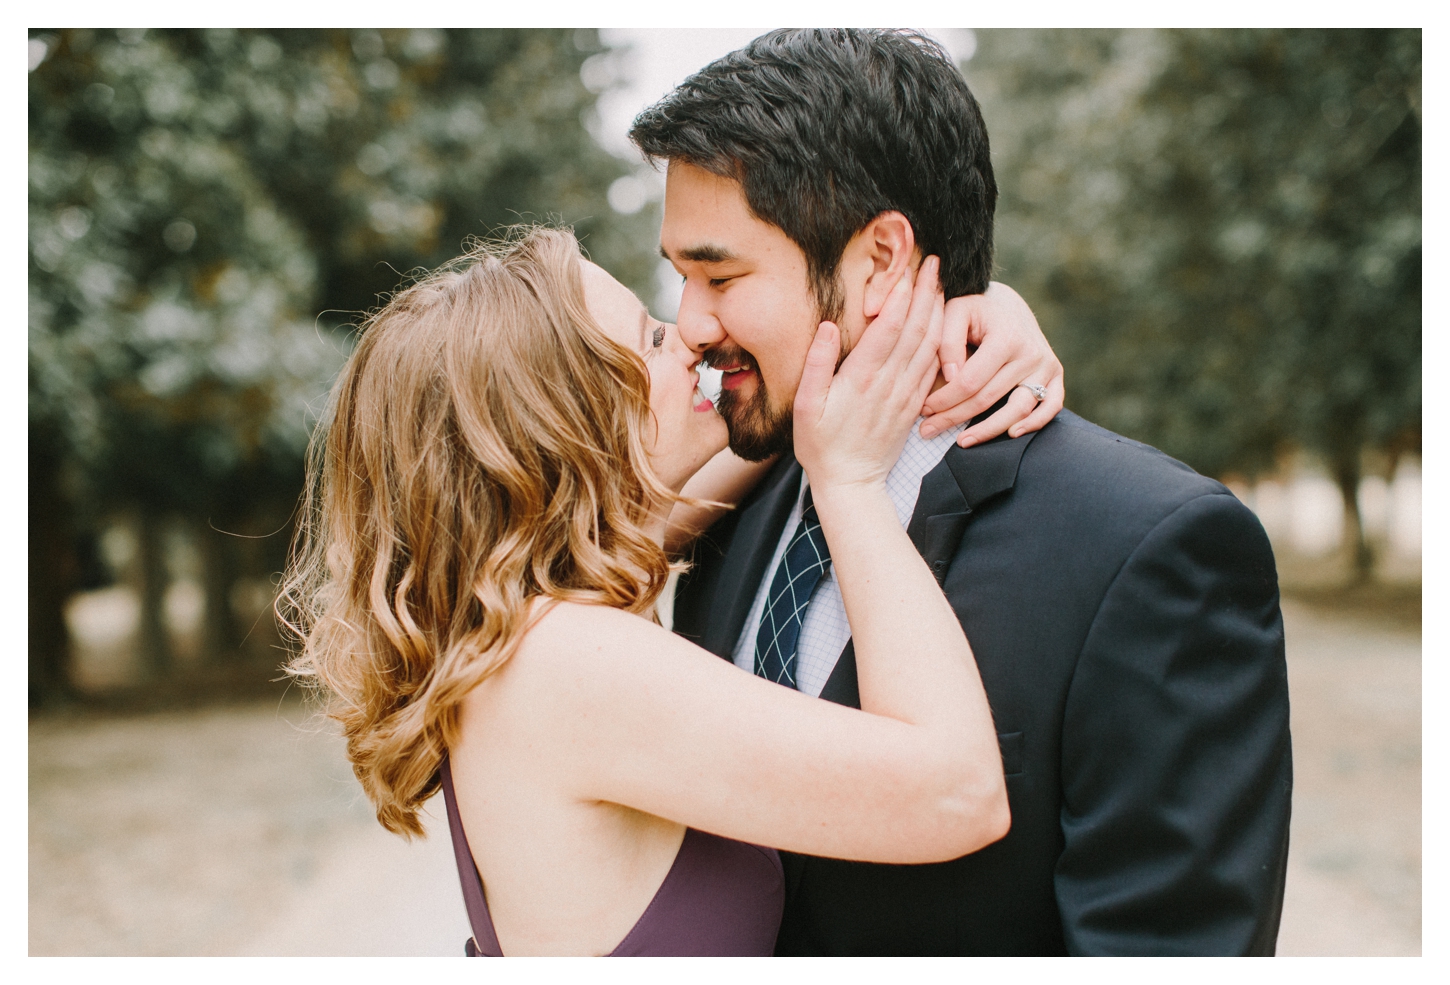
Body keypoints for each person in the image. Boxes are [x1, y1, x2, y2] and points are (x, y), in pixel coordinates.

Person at [630, 29, 1293, 956]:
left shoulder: (1151, 547)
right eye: (681, 277)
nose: (690, 322)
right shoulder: (733, 489)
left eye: (721, 274)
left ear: (883, 259)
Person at [278, 225, 1061, 956]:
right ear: (567, 421)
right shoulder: (570, 663)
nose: (689, 337)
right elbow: (959, 793)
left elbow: (773, 423)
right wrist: (850, 484)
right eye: (650, 339)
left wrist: (969, 318)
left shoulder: (515, 614)